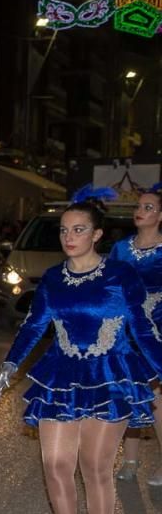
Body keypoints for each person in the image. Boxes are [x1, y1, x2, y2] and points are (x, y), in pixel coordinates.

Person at [0, 187, 162, 514]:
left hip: (110, 375)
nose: (70, 237)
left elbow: (141, 327)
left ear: (97, 235)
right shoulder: (52, 279)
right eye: (66, 230)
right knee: (55, 464)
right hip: (62, 376)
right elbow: (34, 325)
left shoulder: (122, 276)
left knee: (96, 468)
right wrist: (11, 363)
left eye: (79, 229)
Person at [111, 183, 162, 486]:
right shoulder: (120, 248)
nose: (139, 212)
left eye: (147, 207)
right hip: (125, 329)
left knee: (156, 397)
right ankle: (130, 460)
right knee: (129, 395)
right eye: (138, 207)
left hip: (156, 332)